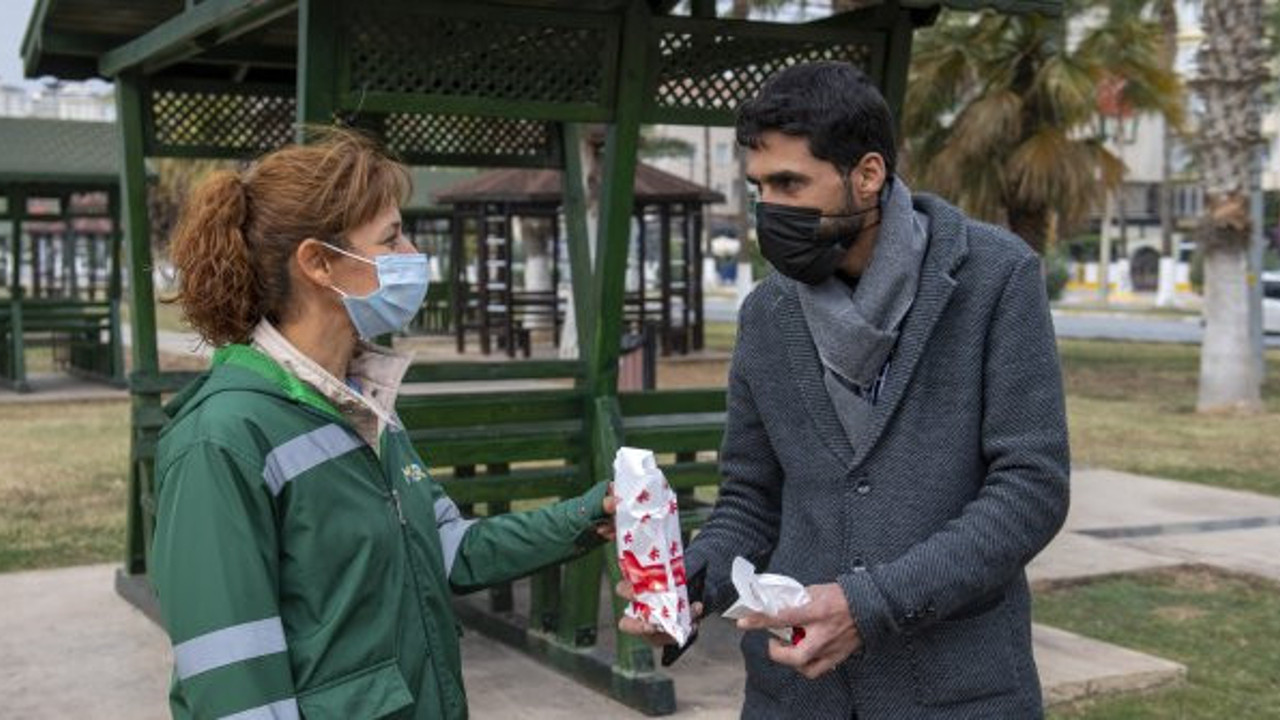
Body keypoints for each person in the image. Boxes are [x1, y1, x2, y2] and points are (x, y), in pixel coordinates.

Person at [619, 62, 1070, 718]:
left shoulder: (997, 279)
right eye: (759, 187)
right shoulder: (766, 315)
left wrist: (869, 605)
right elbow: (750, 500)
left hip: (955, 691)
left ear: (868, 173)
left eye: (790, 182)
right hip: (796, 695)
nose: (770, 208)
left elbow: (1031, 489)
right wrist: (691, 582)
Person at [152, 127, 615, 720]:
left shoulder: (363, 404)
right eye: (391, 237)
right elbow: (232, 682)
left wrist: (586, 516)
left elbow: (450, 550)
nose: (412, 254)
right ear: (318, 263)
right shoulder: (222, 439)